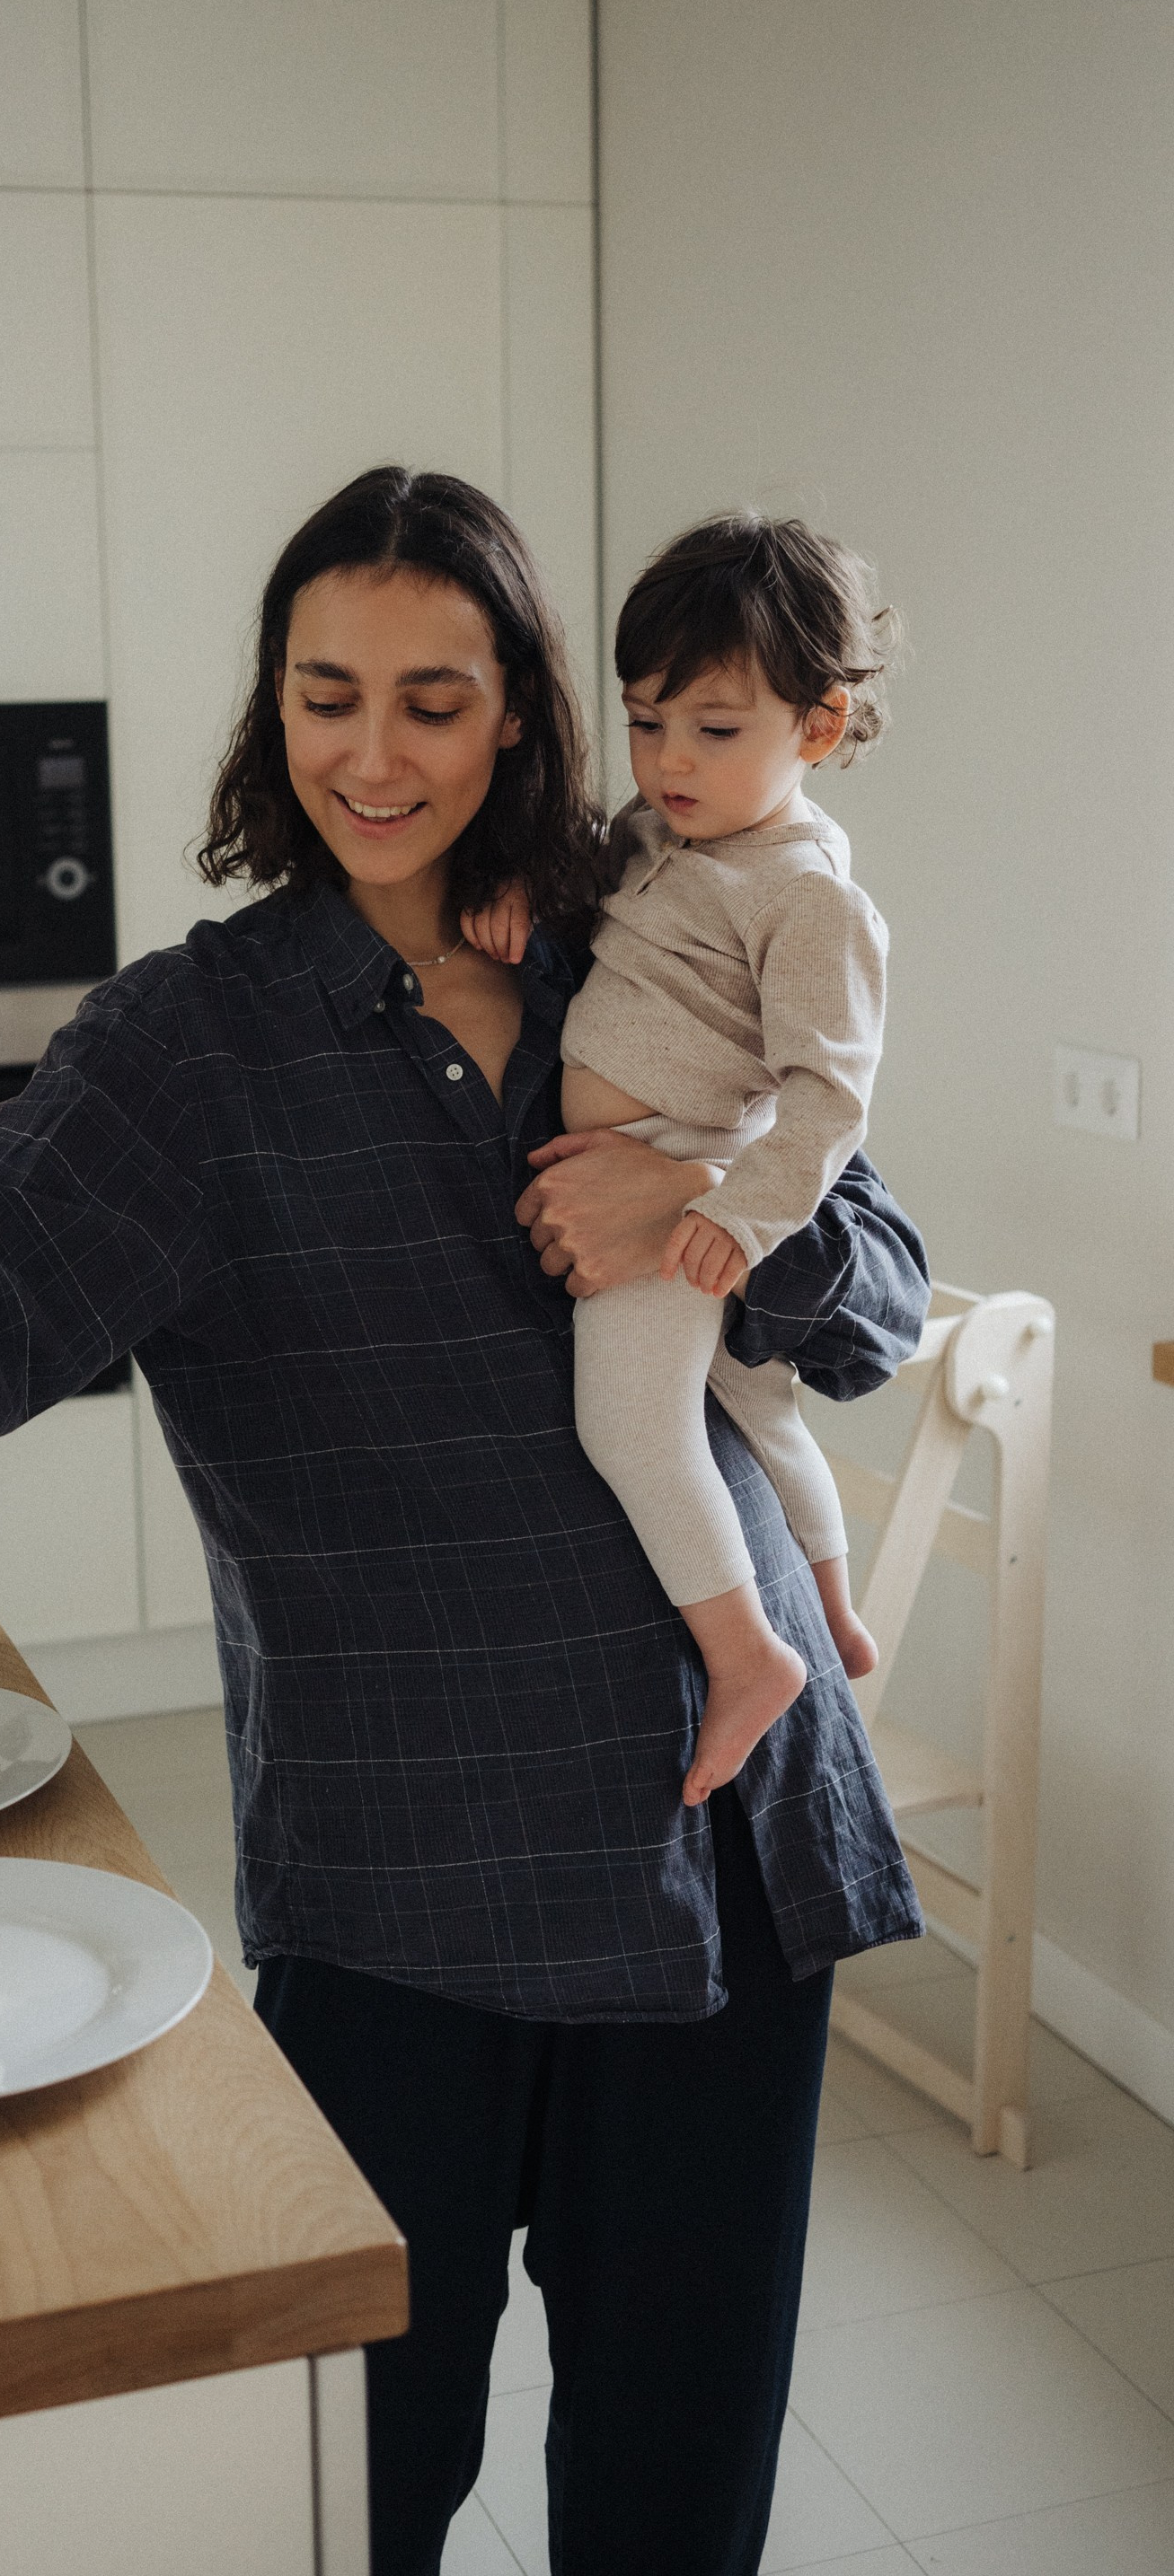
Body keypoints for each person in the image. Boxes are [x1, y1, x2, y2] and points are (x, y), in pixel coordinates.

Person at [0, 467, 927, 2576]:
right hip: (406, 1890)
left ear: (521, 715)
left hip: (723, 1853)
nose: (375, 756)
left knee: (674, 2507)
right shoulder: (201, 1041)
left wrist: (702, 1213)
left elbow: (883, 1287)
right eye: (325, 695)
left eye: (436, 703)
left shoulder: (639, 928)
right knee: (347, 2498)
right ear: (269, 711)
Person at [463, 513, 895, 1810]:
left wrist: (740, 1216)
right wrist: (524, 901)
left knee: (630, 1423)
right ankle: (832, 1613)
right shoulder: (664, 835)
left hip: (681, 1181)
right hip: (656, 1165)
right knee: (758, 1416)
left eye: (712, 730)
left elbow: (831, 1099)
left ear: (815, 730)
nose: (665, 761)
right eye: (645, 722)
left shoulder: (809, 899)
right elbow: (599, 891)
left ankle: (748, 1655)